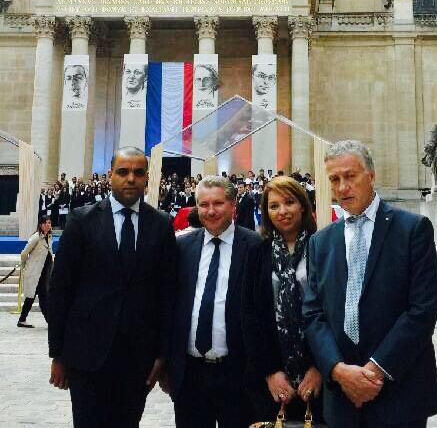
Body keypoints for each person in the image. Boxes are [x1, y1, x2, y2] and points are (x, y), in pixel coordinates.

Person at [303, 139, 437, 428]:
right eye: (334, 179)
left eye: (350, 176)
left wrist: (375, 371)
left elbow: (422, 310)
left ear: (372, 176)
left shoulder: (412, 229)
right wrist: (339, 371)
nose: (342, 187)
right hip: (341, 397)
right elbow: (313, 314)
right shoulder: (321, 242)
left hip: (399, 391)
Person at [48, 147, 176, 428]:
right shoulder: (81, 221)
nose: (130, 178)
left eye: (138, 173)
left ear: (147, 178)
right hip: (86, 355)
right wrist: (57, 354)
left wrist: (162, 356)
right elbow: (60, 289)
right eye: (123, 172)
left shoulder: (161, 225)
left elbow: (167, 295)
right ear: (110, 176)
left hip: (138, 358)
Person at [164, 176, 260, 428]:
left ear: (233, 205)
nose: (210, 211)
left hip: (237, 375)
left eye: (218, 203)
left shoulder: (255, 246)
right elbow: (170, 307)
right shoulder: (182, 247)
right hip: (190, 375)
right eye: (203, 205)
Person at [242, 176, 323, 423]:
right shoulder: (257, 252)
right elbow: (249, 315)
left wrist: (319, 367)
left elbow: (333, 313)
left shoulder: (322, 247)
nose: (282, 211)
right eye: (274, 205)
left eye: (289, 202)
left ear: (303, 205)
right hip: (272, 377)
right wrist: (270, 372)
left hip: (318, 374)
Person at [17, 216, 54, 328]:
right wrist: (24, 265)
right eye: (45, 223)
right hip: (35, 273)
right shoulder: (36, 237)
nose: (48, 225)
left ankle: (22, 320)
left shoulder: (49, 237)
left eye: (49, 223)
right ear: (40, 225)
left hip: (43, 273)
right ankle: (51, 322)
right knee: (43, 298)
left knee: (31, 298)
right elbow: (24, 253)